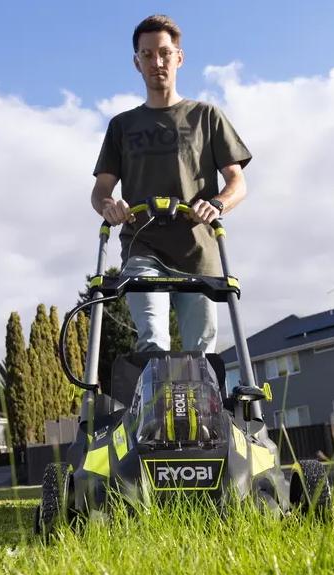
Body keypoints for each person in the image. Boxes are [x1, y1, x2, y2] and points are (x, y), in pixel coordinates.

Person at [91, 14, 251, 353]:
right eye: (147, 55)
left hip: (198, 250)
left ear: (179, 57)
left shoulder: (206, 116)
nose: (157, 62)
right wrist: (109, 206)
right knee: (152, 341)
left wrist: (217, 203)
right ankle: (154, 407)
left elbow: (237, 181)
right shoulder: (122, 125)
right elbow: (101, 190)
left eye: (164, 53)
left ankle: (202, 407)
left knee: (200, 351)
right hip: (142, 246)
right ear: (137, 63)